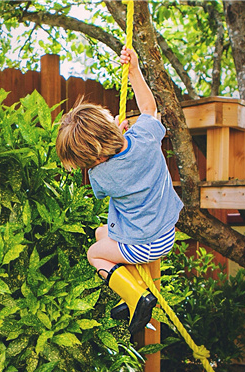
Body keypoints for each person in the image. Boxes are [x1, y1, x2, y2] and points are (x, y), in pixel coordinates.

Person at [56, 46, 183, 337]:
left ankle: (137, 297)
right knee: (103, 234)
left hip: (144, 245)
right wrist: (135, 70)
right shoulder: (146, 137)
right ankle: (135, 292)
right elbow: (149, 108)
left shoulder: (104, 175)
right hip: (165, 231)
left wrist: (112, 141)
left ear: (96, 158)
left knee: (94, 254)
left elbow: (111, 163)